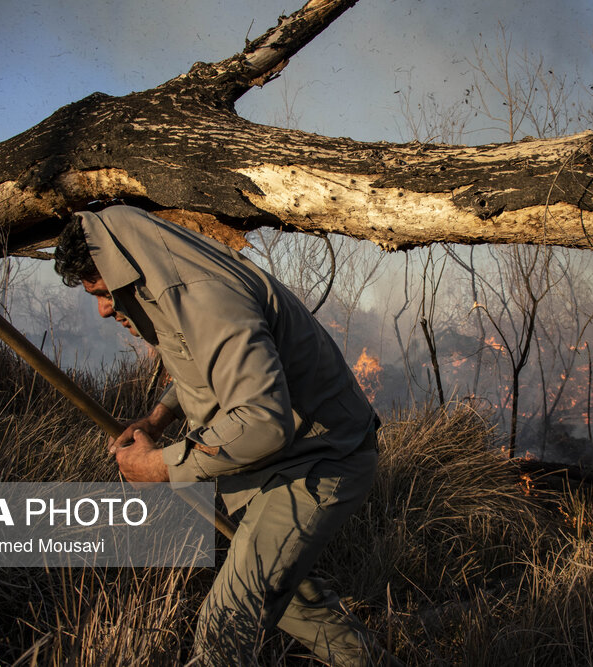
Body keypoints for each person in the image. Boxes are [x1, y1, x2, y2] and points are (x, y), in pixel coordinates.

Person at [54, 204, 383, 666]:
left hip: (319, 462)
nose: (106, 309)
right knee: (297, 609)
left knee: (225, 627)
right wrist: (157, 419)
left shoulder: (203, 294)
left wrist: (159, 466)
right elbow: (210, 364)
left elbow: (264, 422)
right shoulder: (172, 277)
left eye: (106, 292)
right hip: (285, 464)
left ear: (123, 267)